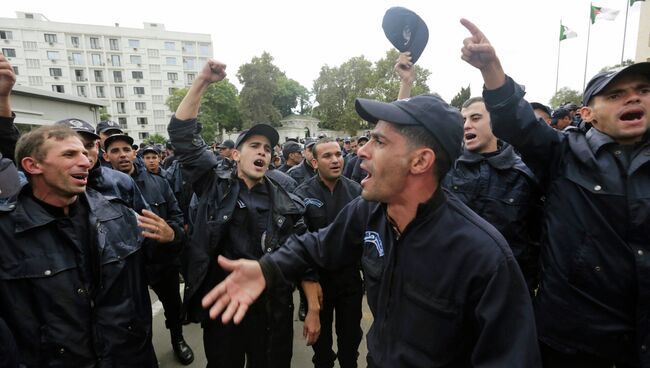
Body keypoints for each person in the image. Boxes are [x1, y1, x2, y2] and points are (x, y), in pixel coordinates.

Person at [201, 92, 541, 367]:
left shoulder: (485, 258)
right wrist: (266, 269)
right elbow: (317, 245)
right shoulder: (369, 210)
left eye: (378, 141)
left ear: (420, 162)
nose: (360, 151)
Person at [460, 18, 650, 367]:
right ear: (588, 113)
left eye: (643, 90)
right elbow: (518, 123)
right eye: (616, 94)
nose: (633, 98)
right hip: (571, 344)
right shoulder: (562, 154)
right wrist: (492, 70)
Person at [167, 59, 317, 367]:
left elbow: (304, 256)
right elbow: (182, 135)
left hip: (270, 312)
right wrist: (202, 82)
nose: (262, 151)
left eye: (267, 148)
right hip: (222, 306)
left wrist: (312, 306)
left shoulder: (287, 203)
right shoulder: (213, 183)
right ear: (236, 154)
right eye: (254, 145)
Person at [0, 125, 160, 366]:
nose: (85, 161)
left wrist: (172, 238)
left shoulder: (118, 214)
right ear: (32, 165)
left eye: (84, 153)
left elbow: (148, 281)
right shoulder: (5, 233)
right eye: (69, 155)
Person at [103, 133, 194, 365]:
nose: (122, 155)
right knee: (133, 315)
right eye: (115, 151)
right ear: (106, 156)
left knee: (174, 306)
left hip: (161, 261)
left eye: (126, 149)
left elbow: (176, 216)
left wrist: (171, 234)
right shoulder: (100, 191)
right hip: (126, 267)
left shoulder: (159, 184)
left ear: (134, 153)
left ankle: (177, 339)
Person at [442, 97, 542, 294]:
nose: (467, 125)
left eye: (476, 118)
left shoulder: (525, 174)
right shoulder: (446, 166)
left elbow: (535, 238)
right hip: (452, 285)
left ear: (496, 120)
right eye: (463, 120)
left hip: (506, 290)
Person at [294, 137, 364, 368]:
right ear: (314, 163)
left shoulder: (357, 192)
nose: (335, 160)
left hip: (350, 283)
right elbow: (300, 244)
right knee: (322, 351)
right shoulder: (302, 194)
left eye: (338, 154)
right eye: (327, 156)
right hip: (318, 285)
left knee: (350, 345)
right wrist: (310, 294)